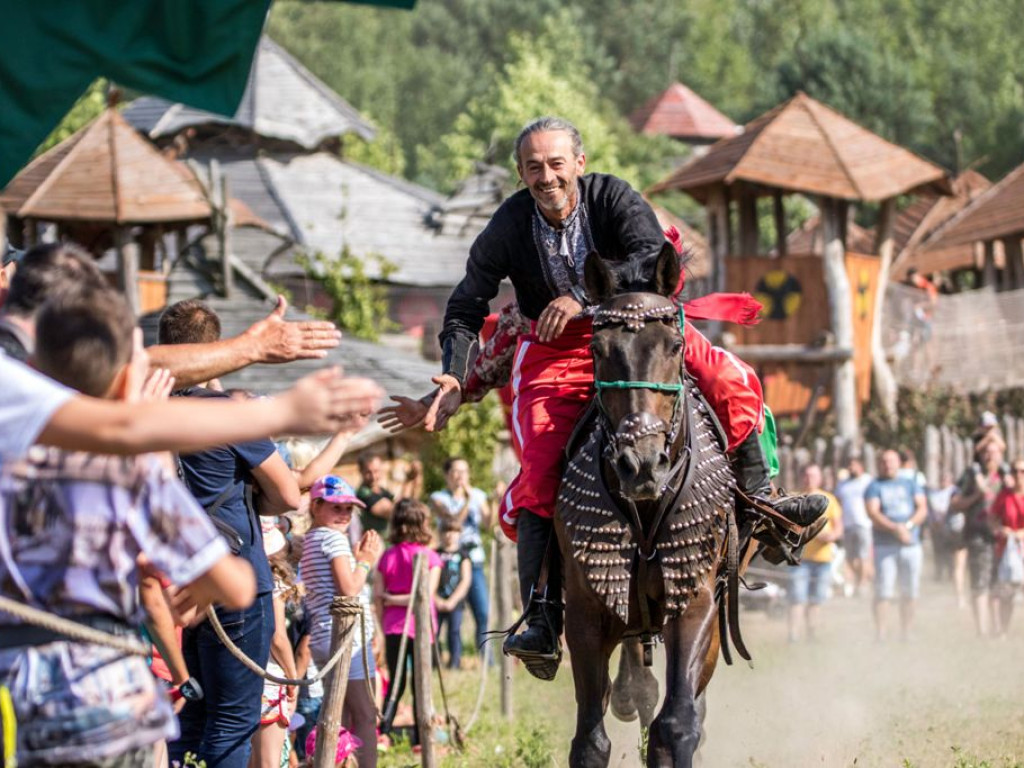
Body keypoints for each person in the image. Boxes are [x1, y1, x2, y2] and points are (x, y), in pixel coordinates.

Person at [400, 116, 827, 674]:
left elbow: (652, 257)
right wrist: (455, 374)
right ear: (520, 173)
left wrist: (580, 295)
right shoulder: (507, 225)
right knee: (540, 466)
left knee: (733, 378)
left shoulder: (613, 195)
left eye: (556, 164)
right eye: (533, 167)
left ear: (578, 162)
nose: (546, 177)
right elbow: (465, 305)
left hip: (637, 323)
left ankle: (762, 501)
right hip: (555, 351)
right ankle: (542, 614)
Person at [0, 286, 257, 768]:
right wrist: (148, 434)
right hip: (106, 697)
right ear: (123, 381)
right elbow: (234, 584)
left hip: (19, 692)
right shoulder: (125, 474)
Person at [160, 300, 303, 768]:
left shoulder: (149, 414)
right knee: (233, 720)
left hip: (180, 577)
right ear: (217, 348)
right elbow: (288, 494)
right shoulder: (225, 412)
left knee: (195, 713)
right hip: (237, 577)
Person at [300, 475, 382, 768]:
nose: (344, 515)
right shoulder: (333, 539)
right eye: (336, 508)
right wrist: (366, 561)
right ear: (315, 506)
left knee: (343, 715)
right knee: (365, 715)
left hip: (325, 636)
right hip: (345, 639)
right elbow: (348, 589)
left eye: (349, 509)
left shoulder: (310, 539)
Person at [374, 499, 442, 744]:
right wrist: (404, 599)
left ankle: (385, 731)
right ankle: (420, 738)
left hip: (393, 627)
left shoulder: (387, 556)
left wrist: (391, 601)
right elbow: (425, 595)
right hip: (421, 628)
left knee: (397, 682)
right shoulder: (431, 557)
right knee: (420, 684)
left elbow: (379, 597)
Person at [429, 457, 492, 660]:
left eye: (464, 471)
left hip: (474, 560)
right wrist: (466, 500)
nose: (460, 476)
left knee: (482, 611)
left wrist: (494, 500)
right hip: (447, 563)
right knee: (447, 618)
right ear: (447, 475)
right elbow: (453, 521)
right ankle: (442, 659)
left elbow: (488, 523)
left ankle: (486, 660)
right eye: (456, 471)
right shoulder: (438, 497)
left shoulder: (478, 495)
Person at [251, 523, 301, 768]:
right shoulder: (273, 579)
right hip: (269, 678)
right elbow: (278, 637)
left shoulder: (236, 575)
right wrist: (293, 678)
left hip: (241, 677)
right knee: (269, 762)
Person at [864, 450, 928, 642]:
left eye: (891, 461)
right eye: (883, 461)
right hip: (885, 546)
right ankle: (881, 633)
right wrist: (895, 528)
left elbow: (922, 508)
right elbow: (873, 512)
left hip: (911, 544)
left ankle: (907, 632)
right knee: (883, 591)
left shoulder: (911, 483)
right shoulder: (874, 486)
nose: (888, 465)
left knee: (910, 591)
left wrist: (907, 526)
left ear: (899, 463)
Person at [950, 438, 1009, 637]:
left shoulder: (1007, 474)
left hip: (1003, 538)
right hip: (978, 536)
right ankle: (982, 631)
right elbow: (955, 503)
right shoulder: (971, 475)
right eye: (986, 452)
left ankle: (998, 628)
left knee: (1000, 584)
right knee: (980, 583)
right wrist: (977, 495)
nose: (990, 456)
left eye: (994, 452)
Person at [788, 465, 843, 642]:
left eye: (813, 475)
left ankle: (812, 634)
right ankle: (793, 636)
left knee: (816, 600)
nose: (809, 478)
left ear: (819, 478)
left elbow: (838, 526)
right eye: (806, 474)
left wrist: (832, 536)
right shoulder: (793, 498)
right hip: (799, 559)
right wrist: (812, 533)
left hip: (823, 558)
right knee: (797, 598)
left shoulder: (830, 499)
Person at [989, 459, 1024, 636]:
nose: (1019, 475)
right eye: (1015, 471)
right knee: (1006, 593)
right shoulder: (1004, 495)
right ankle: (1003, 630)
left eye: (1022, 471)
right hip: (1007, 550)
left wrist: (1021, 533)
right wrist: (1000, 529)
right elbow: (993, 517)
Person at [434, 519, 473, 669]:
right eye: (446, 531)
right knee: (434, 633)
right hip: (437, 601)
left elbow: (466, 580)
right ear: (440, 533)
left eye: (454, 531)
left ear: (459, 533)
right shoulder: (435, 553)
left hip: (455, 603)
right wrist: (436, 599)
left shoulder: (463, 554)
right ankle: (435, 664)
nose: (449, 535)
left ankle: (454, 664)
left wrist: (452, 601)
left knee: (454, 632)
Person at [835, 454, 874, 597]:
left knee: (864, 555)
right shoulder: (842, 484)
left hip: (864, 524)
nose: (851, 468)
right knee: (850, 556)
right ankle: (853, 582)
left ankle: (863, 585)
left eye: (854, 465)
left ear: (861, 466)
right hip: (847, 525)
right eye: (849, 465)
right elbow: (837, 501)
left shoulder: (868, 481)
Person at [356, 453, 396, 536]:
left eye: (376, 471)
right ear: (361, 471)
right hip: (374, 543)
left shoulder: (382, 490)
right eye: (368, 472)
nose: (373, 476)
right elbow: (393, 512)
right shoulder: (363, 493)